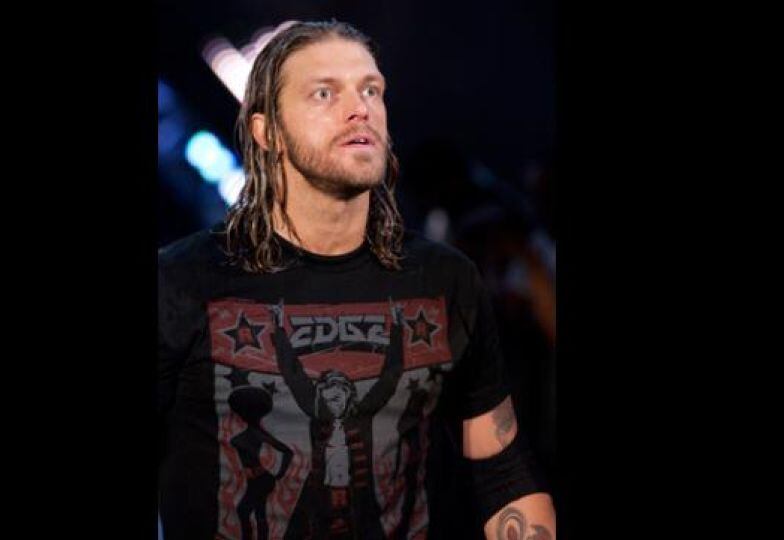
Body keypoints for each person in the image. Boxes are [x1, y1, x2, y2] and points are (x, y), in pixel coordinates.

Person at [158, 20, 555, 540]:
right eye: (324, 93)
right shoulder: (181, 281)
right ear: (266, 132)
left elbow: (502, 474)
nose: (359, 108)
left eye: (371, 90)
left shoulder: (446, 279)